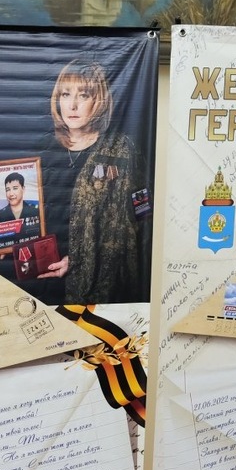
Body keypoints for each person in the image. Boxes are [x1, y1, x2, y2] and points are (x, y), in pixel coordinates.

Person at [36, 60, 146, 303]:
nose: (72, 105)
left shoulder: (121, 151)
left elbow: (138, 221)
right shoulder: (43, 149)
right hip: (41, 278)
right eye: (66, 94)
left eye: (83, 95)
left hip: (94, 285)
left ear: (99, 101)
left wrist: (78, 260)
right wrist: (10, 243)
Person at [0, 171, 41, 245]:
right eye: (8, 189)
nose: (11, 194)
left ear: (23, 189)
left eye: (15, 188)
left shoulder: (36, 211)